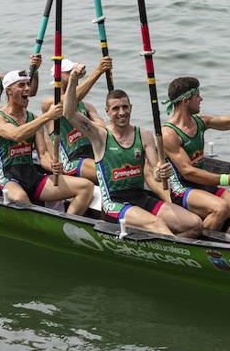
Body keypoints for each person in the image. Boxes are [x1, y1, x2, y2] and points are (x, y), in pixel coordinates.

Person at [62, 67, 202, 237]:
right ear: (107, 112)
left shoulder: (144, 135)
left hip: (140, 198)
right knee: (157, 224)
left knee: (195, 224)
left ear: (131, 108)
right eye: (116, 109)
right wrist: (73, 80)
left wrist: (161, 172)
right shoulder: (100, 135)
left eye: (125, 107)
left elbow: (155, 172)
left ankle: (166, 254)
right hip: (114, 203)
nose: (122, 113)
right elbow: (69, 113)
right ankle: (172, 253)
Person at [162, 77, 230, 236]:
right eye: (197, 96)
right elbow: (187, 171)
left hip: (205, 186)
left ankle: (222, 240)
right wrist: (226, 180)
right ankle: (200, 244)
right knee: (221, 208)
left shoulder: (201, 121)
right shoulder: (169, 134)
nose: (201, 99)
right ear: (185, 100)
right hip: (183, 189)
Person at [0, 69, 94, 213]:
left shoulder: (33, 118)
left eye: (28, 85)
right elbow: (17, 134)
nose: (27, 89)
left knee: (86, 187)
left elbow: (43, 156)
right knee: (21, 198)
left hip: (31, 176)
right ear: (9, 90)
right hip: (8, 179)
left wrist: (53, 165)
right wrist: (48, 116)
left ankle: (64, 228)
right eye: (21, 85)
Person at [40, 56, 112, 181]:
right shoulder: (50, 104)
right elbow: (71, 100)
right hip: (71, 160)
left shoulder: (88, 107)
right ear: (58, 77)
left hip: (94, 153)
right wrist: (98, 71)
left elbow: (103, 128)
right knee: (106, 172)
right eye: (69, 72)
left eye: (73, 70)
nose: (74, 73)